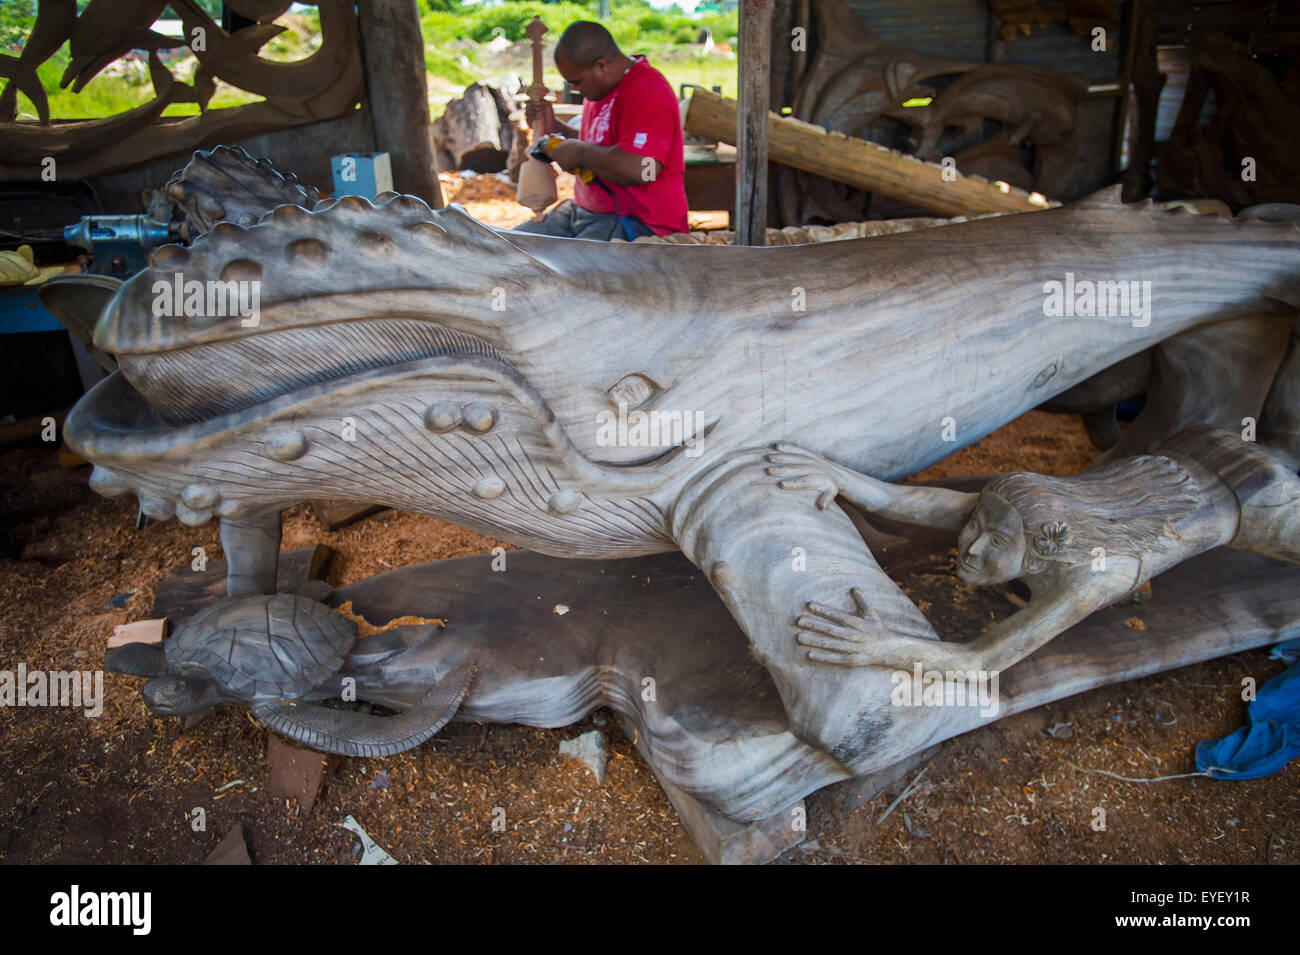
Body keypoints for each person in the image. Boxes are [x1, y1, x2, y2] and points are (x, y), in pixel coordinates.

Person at [515, 21, 688, 241]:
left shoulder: (647, 91)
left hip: (639, 222)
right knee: (508, 247)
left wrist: (579, 152)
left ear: (602, 66)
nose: (576, 90)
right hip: (585, 212)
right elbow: (602, 147)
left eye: (577, 82)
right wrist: (557, 129)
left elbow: (645, 170)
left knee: (562, 266)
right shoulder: (600, 87)